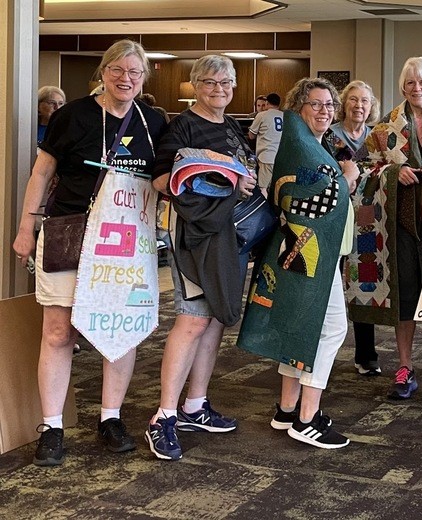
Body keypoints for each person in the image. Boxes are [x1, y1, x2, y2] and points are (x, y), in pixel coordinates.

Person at [12, 39, 166, 466]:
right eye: (118, 70)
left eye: (135, 72)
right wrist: (27, 225)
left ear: (143, 78)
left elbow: (164, 176)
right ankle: (51, 426)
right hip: (68, 232)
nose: (126, 79)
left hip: (125, 243)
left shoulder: (152, 120)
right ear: (104, 72)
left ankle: (110, 418)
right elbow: (42, 172)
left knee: (120, 328)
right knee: (59, 331)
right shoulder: (73, 115)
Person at [146, 54, 257, 461]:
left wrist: (240, 181)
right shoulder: (183, 126)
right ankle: (164, 417)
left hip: (225, 234)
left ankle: (195, 405)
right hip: (193, 235)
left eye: (227, 82)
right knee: (192, 319)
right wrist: (221, 181)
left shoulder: (229, 125)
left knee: (213, 320)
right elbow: (162, 180)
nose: (220, 89)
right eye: (211, 82)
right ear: (196, 85)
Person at [239, 78, 358, 449]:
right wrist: (348, 178)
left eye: (328, 105)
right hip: (310, 253)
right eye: (315, 105)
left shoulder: (307, 145)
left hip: (303, 250)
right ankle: (308, 418)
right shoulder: (302, 147)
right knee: (332, 328)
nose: (324, 111)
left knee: (299, 326)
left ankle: (288, 408)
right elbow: (317, 198)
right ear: (298, 109)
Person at [354, 57, 422, 405]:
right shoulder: (385, 127)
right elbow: (363, 169)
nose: (416, 89)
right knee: (405, 296)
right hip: (398, 223)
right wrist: (392, 172)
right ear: (402, 86)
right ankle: (404, 367)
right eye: (410, 83)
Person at [326, 80, 383, 377]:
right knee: (328, 281)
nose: (359, 106)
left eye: (365, 101)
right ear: (344, 103)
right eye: (353, 100)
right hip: (335, 215)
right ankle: (321, 351)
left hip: (368, 218)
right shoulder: (329, 135)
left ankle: (366, 354)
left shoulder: (377, 137)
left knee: (365, 280)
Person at [248, 92, 283, 191]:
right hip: (280, 157)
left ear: (267, 103)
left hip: (266, 156)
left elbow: (251, 136)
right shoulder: (284, 116)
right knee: (276, 189)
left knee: (263, 188)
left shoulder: (262, 115)